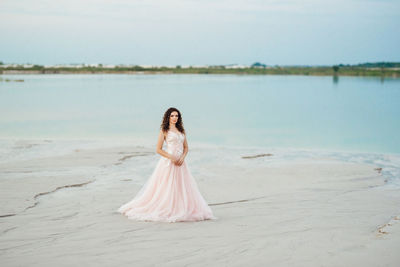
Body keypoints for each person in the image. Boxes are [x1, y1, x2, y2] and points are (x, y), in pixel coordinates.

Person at [117, 107, 217, 223]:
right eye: (172, 116)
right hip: (168, 163)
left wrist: (182, 158)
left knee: (182, 187)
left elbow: (186, 148)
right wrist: (171, 157)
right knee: (167, 186)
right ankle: (167, 208)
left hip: (180, 163)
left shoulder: (181, 130)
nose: (175, 118)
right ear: (168, 117)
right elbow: (158, 149)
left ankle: (181, 207)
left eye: (176, 116)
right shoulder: (164, 130)